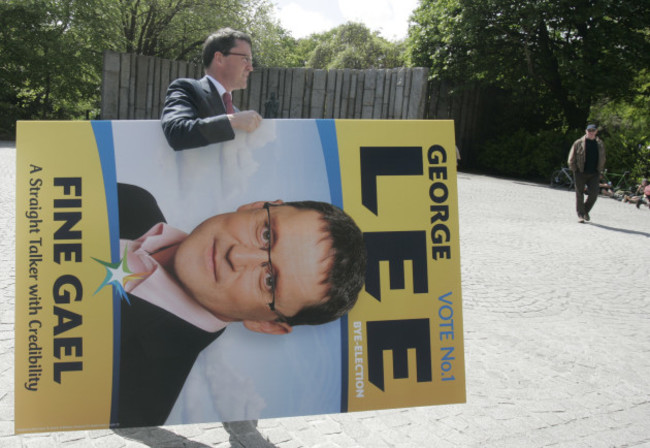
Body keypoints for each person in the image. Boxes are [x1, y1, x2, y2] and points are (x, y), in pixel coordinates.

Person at [115, 183, 367, 427]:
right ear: (256, 206)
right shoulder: (133, 200)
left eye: (270, 281)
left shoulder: (133, 408)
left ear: (266, 325)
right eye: (266, 234)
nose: (237, 255)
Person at [160, 28, 263, 151]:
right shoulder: (187, 89)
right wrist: (232, 121)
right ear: (219, 58)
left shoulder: (235, 112)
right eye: (245, 58)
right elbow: (176, 132)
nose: (250, 67)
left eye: (250, 60)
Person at [568, 124, 606, 223]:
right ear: (586, 131)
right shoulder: (578, 142)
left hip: (594, 173)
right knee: (579, 194)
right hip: (580, 172)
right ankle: (581, 215)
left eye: (593, 130)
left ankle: (585, 210)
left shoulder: (600, 143)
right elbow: (571, 158)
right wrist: (574, 169)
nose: (591, 132)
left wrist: (600, 169)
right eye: (589, 130)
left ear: (596, 131)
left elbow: (602, 157)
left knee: (594, 194)